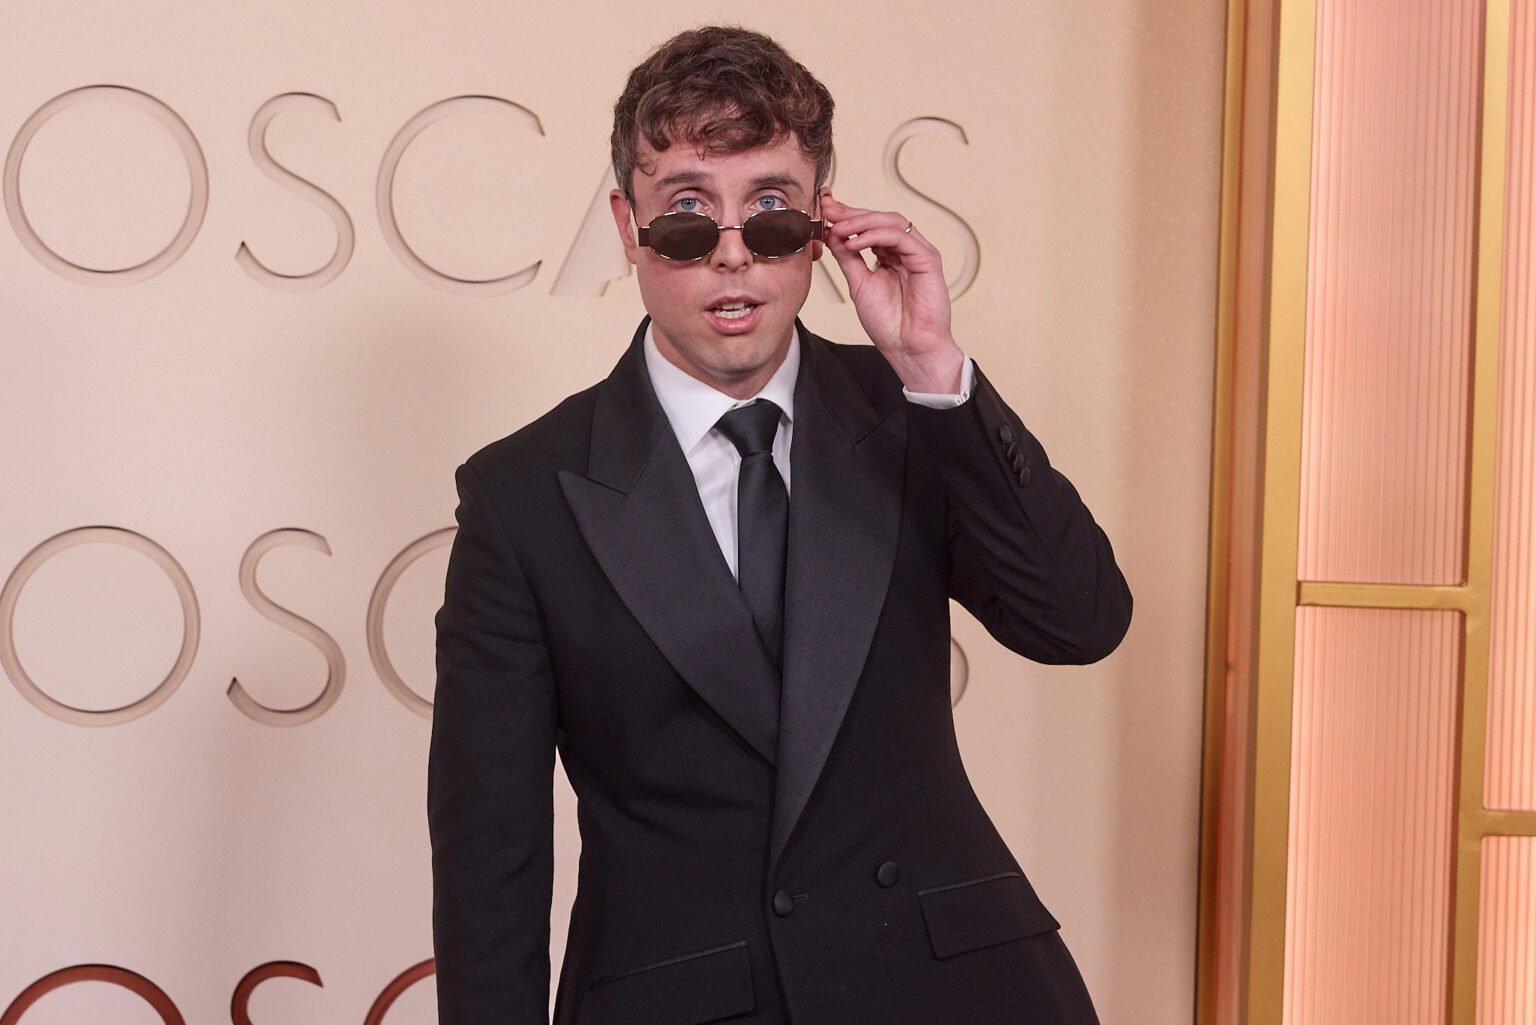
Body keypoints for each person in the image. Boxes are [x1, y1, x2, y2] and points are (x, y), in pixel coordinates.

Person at [429, 25, 1132, 1025]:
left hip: (951, 989)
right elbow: (490, 858)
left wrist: (936, 372)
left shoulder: (911, 413)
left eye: (769, 214)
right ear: (628, 225)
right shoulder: (523, 494)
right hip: (690, 999)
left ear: (818, 225)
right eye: (686, 215)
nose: (731, 256)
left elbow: (1079, 621)